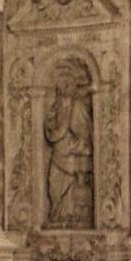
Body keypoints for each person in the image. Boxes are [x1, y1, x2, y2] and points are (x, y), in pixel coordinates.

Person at [44, 62, 94, 227]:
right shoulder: (56, 108)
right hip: (59, 153)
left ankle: (72, 217)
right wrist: (50, 122)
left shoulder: (77, 107)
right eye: (61, 86)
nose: (63, 89)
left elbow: (85, 135)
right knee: (54, 185)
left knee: (71, 187)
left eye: (67, 85)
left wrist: (77, 146)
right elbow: (51, 130)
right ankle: (56, 215)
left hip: (71, 157)